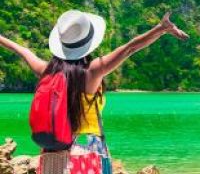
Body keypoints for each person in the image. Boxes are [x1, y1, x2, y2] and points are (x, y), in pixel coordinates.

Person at [0, 10, 188, 172]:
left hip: (53, 151)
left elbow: (21, 50)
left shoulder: (47, 70)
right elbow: (130, 48)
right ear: (87, 43)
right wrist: (161, 29)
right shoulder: (92, 71)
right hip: (88, 150)